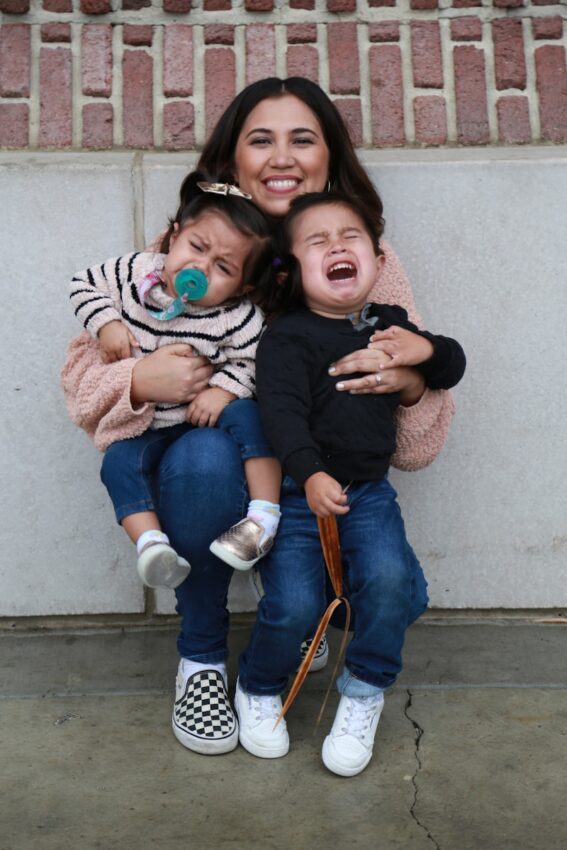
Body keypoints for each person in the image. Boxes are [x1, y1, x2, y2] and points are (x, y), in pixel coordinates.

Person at [61, 77, 458, 758]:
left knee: (397, 590)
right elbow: (80, 383)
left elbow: (418, 450)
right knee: (204, 452)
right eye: (260, 140)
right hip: (207, 470)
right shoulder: (190, 249)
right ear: (231, 159)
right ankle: (204, 660)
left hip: (322, 488)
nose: (282, 156)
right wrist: (137, 376)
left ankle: (303, 620)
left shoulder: (361, 265)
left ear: (329, 159)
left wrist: (408, 383)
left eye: (302, 139)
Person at [233, 191, 465, 776]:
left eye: (351, 236)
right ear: (291, 272)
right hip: (299, 492)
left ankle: (362, 691)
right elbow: (280, 415)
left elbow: (453, 366)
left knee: (389, 585)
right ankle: (259, 686)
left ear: (378, 262)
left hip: (367, 494)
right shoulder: (287, 337)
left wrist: (426, 350)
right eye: (317, 241)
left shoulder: (389, 325)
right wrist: (308, 472)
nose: (337, 244)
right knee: (292, 605)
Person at [68, 171, 281, 589]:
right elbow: (83, 284)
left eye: (223, 267)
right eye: (196, 247)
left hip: (202, 422)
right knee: (116, 463)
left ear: (243, 285)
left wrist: (224, 391)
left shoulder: (234, 316)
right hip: (148, 425)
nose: (199, 268)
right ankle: (150, 544)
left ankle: (263, 517)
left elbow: (258, 361)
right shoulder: (135, 270)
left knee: (250, 416)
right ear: (174, 235)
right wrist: (107, 323)